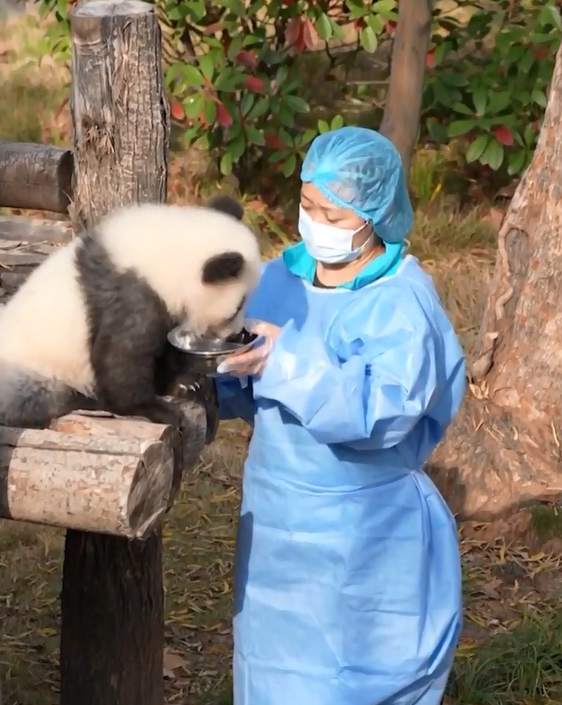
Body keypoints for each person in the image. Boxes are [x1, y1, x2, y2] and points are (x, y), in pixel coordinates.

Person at [214, 126, 468, 705]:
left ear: (372, 214)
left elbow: (385, 412)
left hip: (366, 531)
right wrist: (217, 365)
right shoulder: (279, 278)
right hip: (276, 523)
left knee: (358, 678)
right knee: (274, 674)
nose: (314, 223)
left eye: (331, 213)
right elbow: (248, 384)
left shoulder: (401, 300)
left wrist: (285, 360)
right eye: (307, 206)